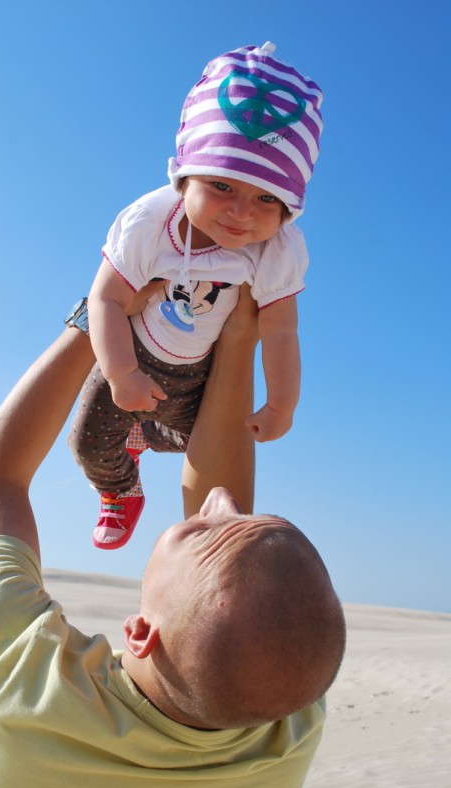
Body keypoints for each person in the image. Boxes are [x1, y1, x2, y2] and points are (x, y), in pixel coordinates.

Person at [0, 299, 346, 788]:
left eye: (196, 530)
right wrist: (237, 336)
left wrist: (100, 315)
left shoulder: (18, 693)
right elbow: (233, 614)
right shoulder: (282, 723)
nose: (221, 501)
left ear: (140, 634)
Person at [68, 41, 324, 549]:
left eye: (266, 198)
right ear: (184, 175)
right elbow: (106, 301)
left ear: (290, 206)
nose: (241, 213)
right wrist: (122, 373)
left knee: (206, 451)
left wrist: (282, 406)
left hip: (199, 376)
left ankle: (141, 437)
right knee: (88, 443)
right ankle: (120, 489)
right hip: (133, 350)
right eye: (222, 185)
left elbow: (281, 332)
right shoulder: (150, 222)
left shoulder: (276, 250)